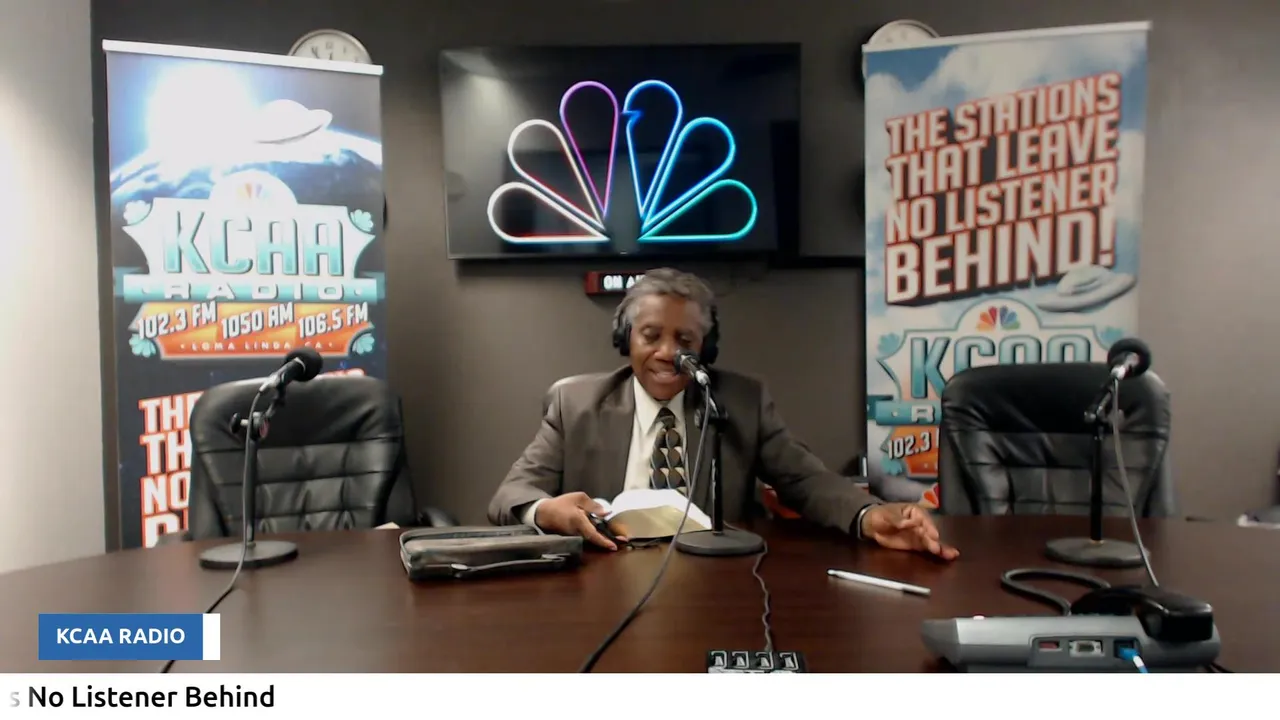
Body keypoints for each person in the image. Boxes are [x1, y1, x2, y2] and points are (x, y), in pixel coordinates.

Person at [487, 268, 958, 560]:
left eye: (685, 340)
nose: (668, 352)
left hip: (714, 575)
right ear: (625, 339)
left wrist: (871, 517)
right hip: (604, 572)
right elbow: (511, 495)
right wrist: (545, 510)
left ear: (705, 348)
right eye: (651, 336)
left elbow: (806, 480)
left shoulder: (741, 400)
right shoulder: (575, 404)